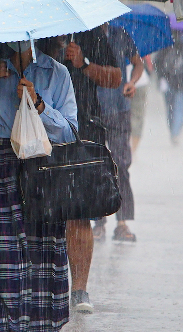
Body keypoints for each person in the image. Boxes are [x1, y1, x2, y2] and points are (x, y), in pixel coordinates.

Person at [0, 39, 77, 332]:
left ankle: (37, 325)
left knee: (41, 256)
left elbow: (71, 132)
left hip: (42, 172)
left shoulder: (56, 72)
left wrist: (39, 105)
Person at [40, 29, 121, 314]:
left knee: (79, 212)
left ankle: (79, 288)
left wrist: (84, 64)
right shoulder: (29, 33)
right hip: (38, 132)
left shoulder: (91, 34)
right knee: (40, 212)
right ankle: (43, 283)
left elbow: (115, 78)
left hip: (83, 132)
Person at [93, 24, 143, 242]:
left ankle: (122, 222)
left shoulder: (120, 34)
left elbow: (138, 64)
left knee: (121, 164)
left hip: (120, 109)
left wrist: (132, 82)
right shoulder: (85, 35)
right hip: (93, 110)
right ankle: (98, 221)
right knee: (95, 165)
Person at [154, 35, 183, 145]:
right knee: (179, 108)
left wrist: (162, 76)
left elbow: (157, 63)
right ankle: (176, 133)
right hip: (182, 83)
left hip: (168, 83)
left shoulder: (163, 46)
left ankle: (173, 130)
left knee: (170, 109)